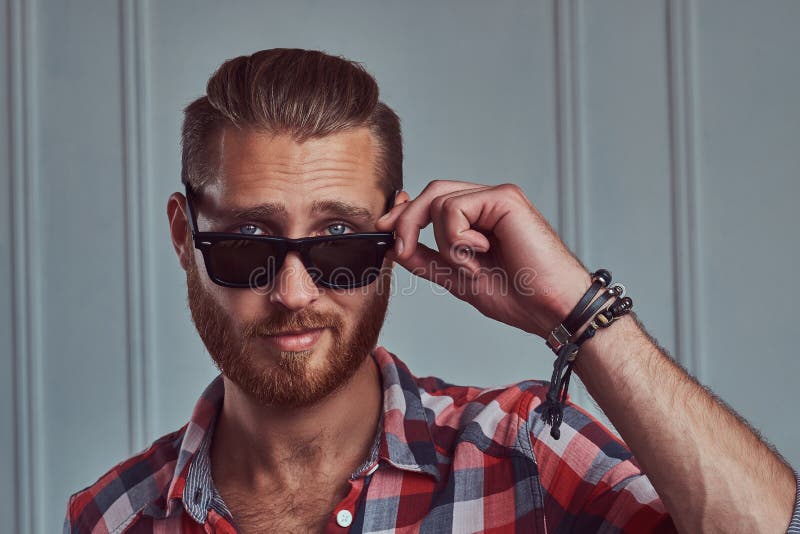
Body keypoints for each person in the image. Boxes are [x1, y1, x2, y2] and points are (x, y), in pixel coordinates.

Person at [64, 48, 799, 534]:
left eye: (341, 243)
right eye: (248, 244)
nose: (293, 291)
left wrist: (580, 312)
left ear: (394, 232)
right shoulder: (111, 517)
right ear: (183, 235)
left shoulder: (526, 457)